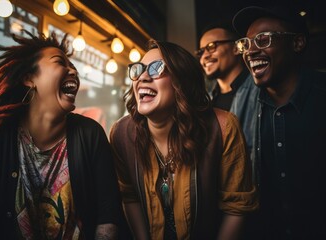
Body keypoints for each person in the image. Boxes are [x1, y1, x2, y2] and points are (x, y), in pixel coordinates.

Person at [0, 31, 121, 239]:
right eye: (60, 63)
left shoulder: (90, 134)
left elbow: (108, 217)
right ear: (29, 78)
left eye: (73, 67)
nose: (72, 71)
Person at [109, 39, 258, 240]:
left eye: (156, 68)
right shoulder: (121, 134)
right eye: (139, 69)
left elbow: (237, 207)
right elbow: (129, 196)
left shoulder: (223, 127)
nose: (142, 77)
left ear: (182, 81)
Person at [233, 5, 326, 239]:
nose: (250, 51)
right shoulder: (243, 104)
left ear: (297, 43)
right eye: (246, 43)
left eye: (263, 39)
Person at [197, 20, 259, 159]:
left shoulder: (259, 89)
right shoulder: (208, 100)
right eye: (201, 51)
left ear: (237, 48)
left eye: (211, 46)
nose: (204, 56)